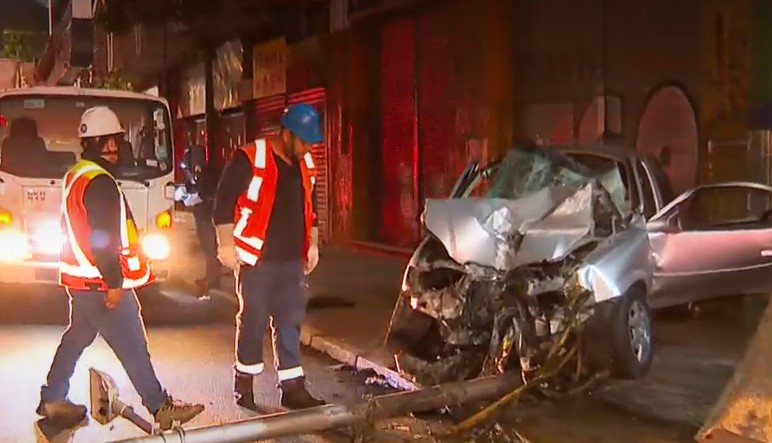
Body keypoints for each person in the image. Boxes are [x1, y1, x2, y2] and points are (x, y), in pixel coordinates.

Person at [37, 106, 204, 430]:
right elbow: (102, 238)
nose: (113, 149)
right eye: (106, 142)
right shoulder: (100, 182)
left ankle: (53, 397)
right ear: (90, 143)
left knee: (77, 338)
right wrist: (114, 281)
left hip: (83, 282)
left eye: (115, 141)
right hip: (101, 284)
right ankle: (161, 407)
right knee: (133, 345)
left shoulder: (78, 174)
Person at [213, 103, 325, 411]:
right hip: (257, 260)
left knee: (290, 322)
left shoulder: (305, 163)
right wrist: (225, 245)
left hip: (292, 261)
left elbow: (312, 206)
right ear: (286, 134)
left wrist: (313, 244)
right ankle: (244, 383)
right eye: (304, 142)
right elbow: (222, 203)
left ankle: (292, 389)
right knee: (253, 321)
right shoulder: (250, 158)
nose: (307, 149)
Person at [180, 141, 222, 298]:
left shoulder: (207, 173)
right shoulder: (205, 171)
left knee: (209, 249)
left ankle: (212, 279)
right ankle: (213, 278)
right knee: (210, 249)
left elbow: (203, 192)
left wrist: (190, 198)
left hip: (206, 216)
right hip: (206, 215)